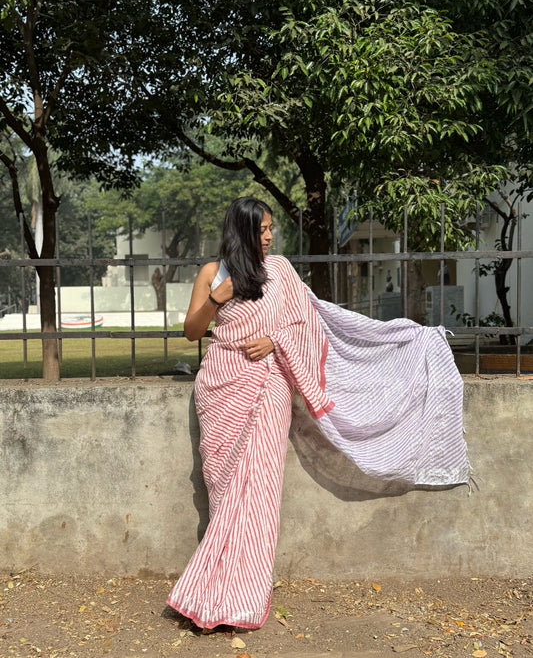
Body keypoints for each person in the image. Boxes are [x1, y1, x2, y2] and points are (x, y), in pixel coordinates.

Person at [167, 196, 469, 630]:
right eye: (262, 229)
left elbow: (304, 322)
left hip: (269, 384)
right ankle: (214, 590)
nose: (270, 236)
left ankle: (239, 598)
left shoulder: (283, 271)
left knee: (258, 490)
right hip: (221, 385)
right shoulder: (213, 274)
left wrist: (274, 341)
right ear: (241, 231)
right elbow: (192, 331)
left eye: (271, 228)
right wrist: (218, 297)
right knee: (223, 485)